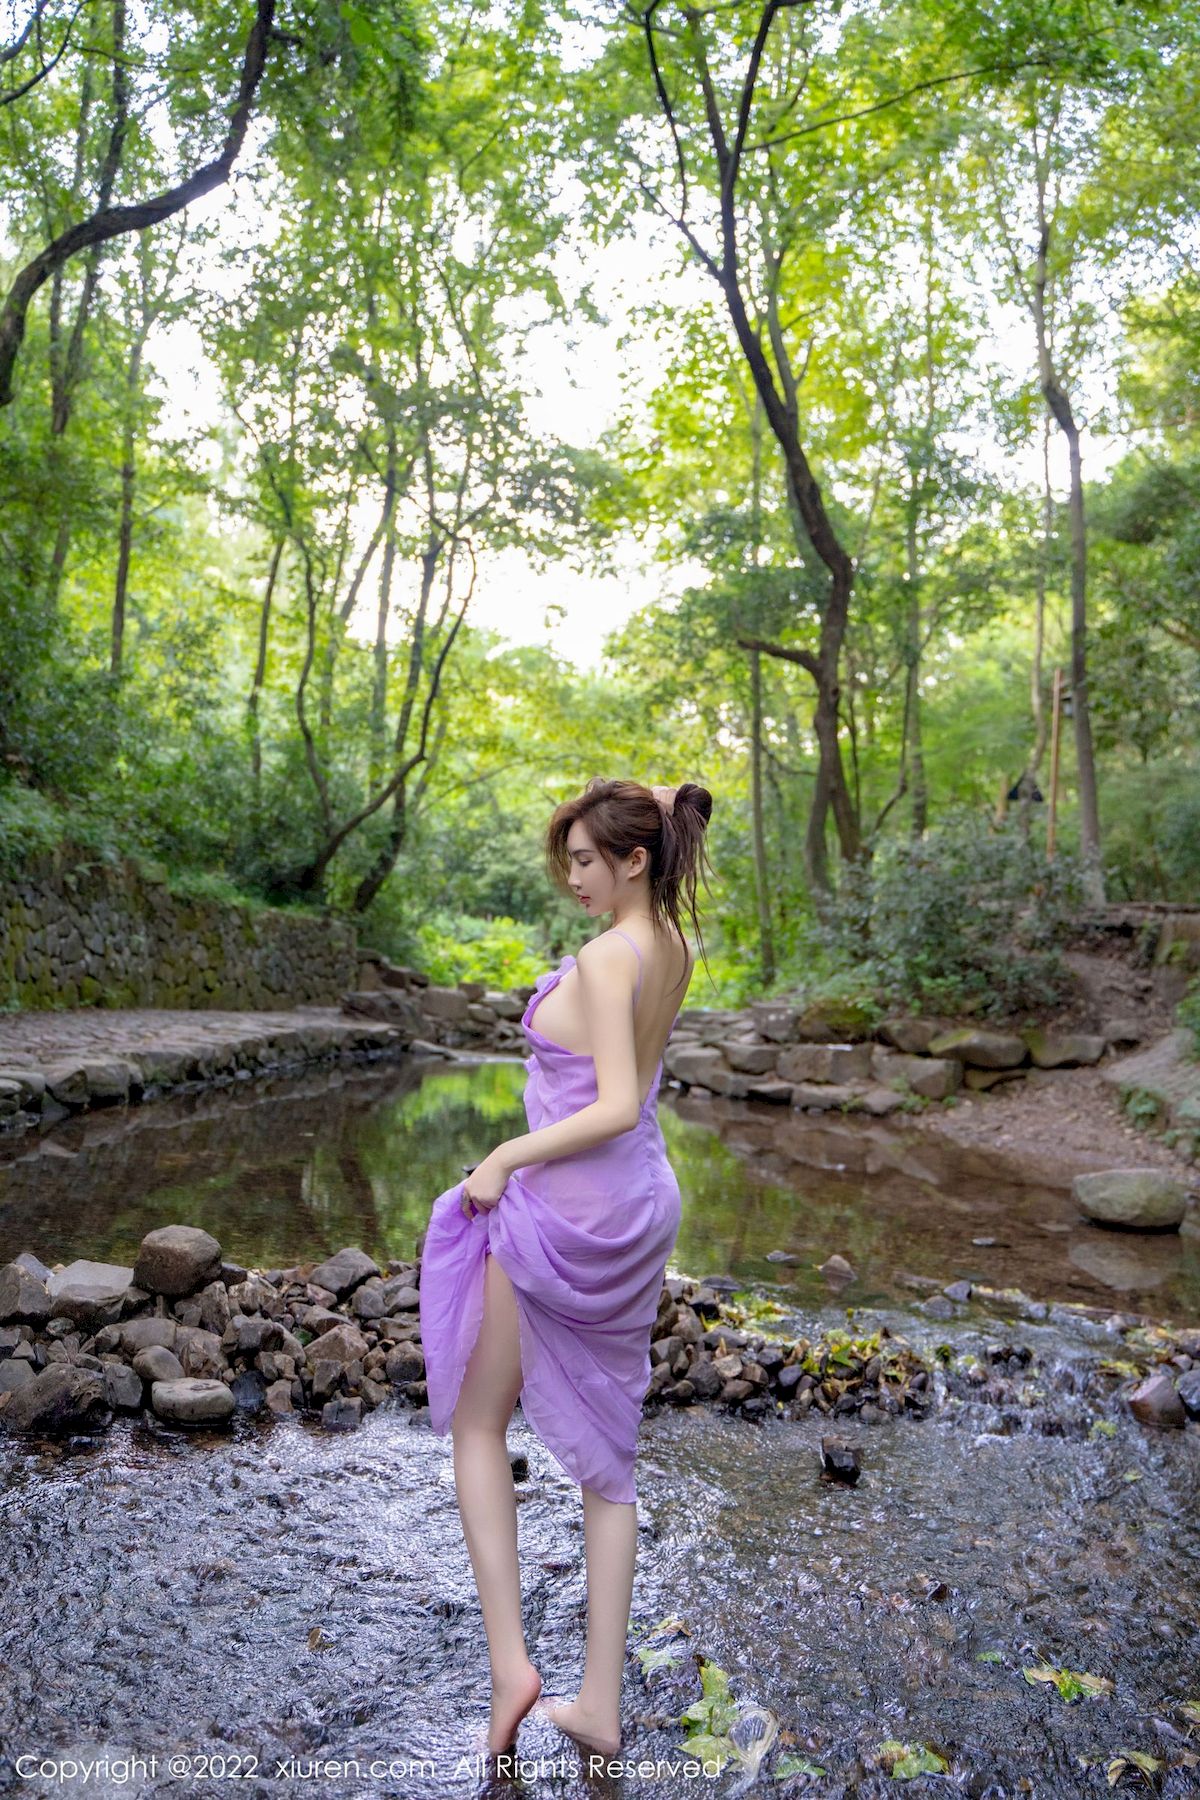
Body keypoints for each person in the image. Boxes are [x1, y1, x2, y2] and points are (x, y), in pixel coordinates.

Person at [417, 776, 714, 1760]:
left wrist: (503, 1157)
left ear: (635, 858)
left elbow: (615, 1104)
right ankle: (598, 1706)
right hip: (640, 1205)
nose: (573, 877)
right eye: (569, 859)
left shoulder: (605, 956)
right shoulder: (672, 944)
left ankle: (512, 1667)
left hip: (574, 1208)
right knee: (610, 1462)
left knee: (476, 1422)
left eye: (587, 860)